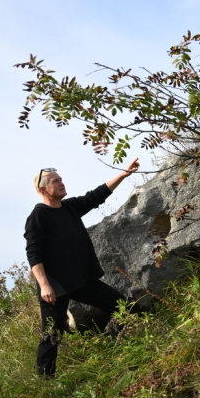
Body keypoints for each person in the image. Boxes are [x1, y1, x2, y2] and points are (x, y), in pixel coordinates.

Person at [24, 159, 140, 377]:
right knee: (51, 334)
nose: (61, 183)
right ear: (43, 190)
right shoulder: (38, 216)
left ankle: (117, 349)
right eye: (55, 181)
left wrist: (123, 174)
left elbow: (96, 196)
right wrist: (45, 286)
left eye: (61, 179)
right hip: (55, 288)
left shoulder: (70, 207)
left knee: (120, 305)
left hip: (80, 281)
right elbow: (33, 253)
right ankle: (46, 381)